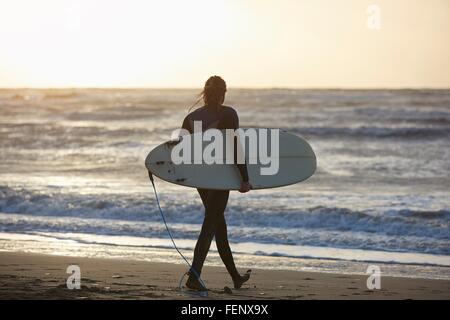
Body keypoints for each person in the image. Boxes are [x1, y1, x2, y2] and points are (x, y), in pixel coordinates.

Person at [181, 76, 252, 291]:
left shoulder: (191, 118)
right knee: (210, 224)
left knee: (218, 226)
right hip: (220, 176)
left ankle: (235, 277)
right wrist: (244, 178)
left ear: (204, 92)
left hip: (201, 178)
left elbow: (183, 152)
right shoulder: (227, 114)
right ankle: (194, 276)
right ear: (223, 93)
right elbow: (234, 147)